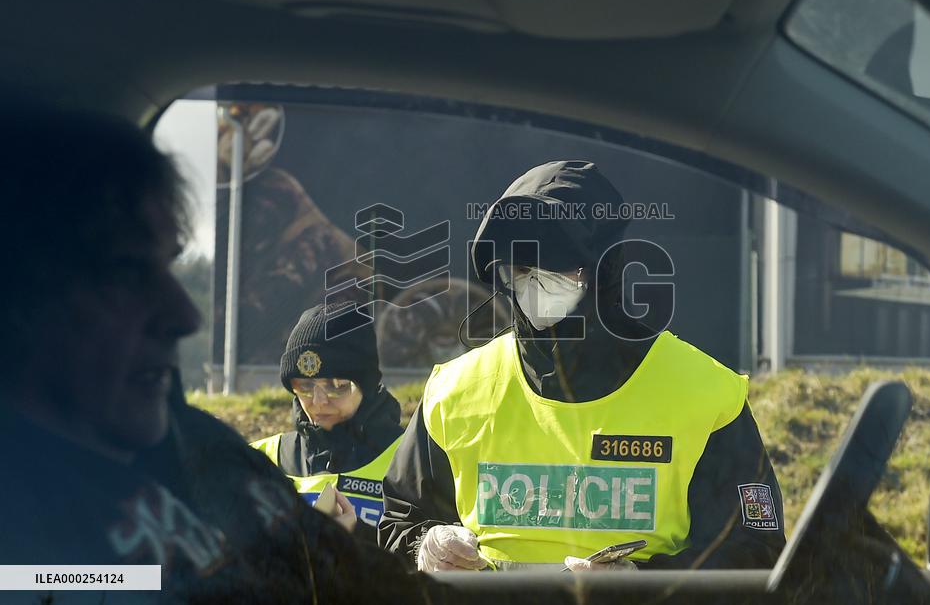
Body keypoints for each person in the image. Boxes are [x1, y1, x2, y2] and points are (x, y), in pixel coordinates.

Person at [0, 107, 444, 603]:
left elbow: (402, 594)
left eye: (168, 267)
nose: (186, 314)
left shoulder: (215, 454)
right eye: (127, 272)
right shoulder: (24, 508)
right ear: (18, 295)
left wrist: (323, 556)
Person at [379, 160, 786, 571]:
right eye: (520, 269)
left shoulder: (705, 396)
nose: (534, 282)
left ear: (604, 270)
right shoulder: (454, 391)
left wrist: (646, 585)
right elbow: (399, 521)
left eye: (556, 266)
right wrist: (424, 547)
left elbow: (757, 550)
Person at [251, 303, 404, 543]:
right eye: (305, 386)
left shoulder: (410, 460)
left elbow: (427, 556)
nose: (319, 401)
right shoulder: (258, 459)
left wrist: (358, 537)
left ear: (367, 386)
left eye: (337, 386)